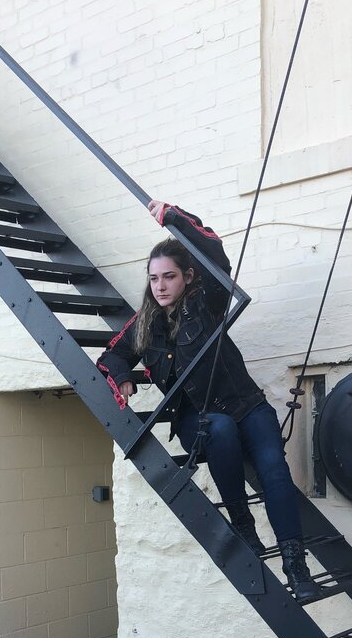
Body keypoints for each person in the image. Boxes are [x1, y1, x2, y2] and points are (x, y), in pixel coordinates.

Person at [97, 201, 320, 603]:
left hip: (245, 404)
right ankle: (243, 525)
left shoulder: (206, 301)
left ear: (188, 277)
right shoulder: (144, 323)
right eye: (154, 279)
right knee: (217, 428)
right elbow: (110, 355)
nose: (161, 286)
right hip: (196, 417)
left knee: (274, 471)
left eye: (169, 277)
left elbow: (217, 256)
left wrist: (175, 219)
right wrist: (125, 377)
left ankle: (295, 565)